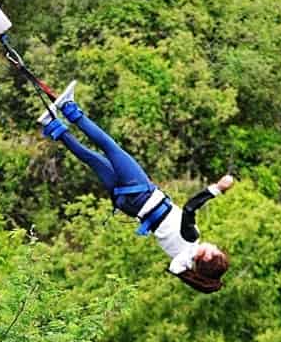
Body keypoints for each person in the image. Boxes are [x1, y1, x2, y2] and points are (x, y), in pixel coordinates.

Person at [39, 81, 233, 293]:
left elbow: (189, 208)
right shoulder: (179, 262)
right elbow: (177, 270)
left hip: (142, 192)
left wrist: (217, 189)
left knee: (109, 146)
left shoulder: (191, 239)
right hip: (127, 205)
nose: (214, 246)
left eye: (215, 251)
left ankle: (69, 108)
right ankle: (52, 125)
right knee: (92, 159)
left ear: (206, 257)